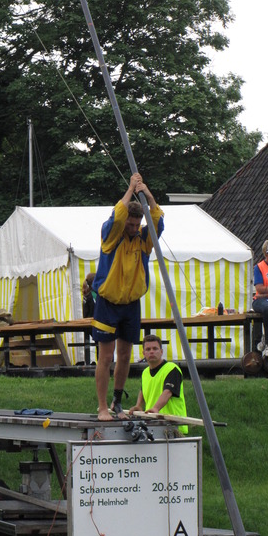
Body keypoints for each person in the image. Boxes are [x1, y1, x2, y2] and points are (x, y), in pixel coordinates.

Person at [92, 173, 164, 421]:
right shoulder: (111, 237)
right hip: (107, 304)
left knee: (125, 355)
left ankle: (117, 401)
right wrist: (131, 188)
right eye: (130, 225)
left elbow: (158, 221)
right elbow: (117, 216)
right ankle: (102, 407)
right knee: (106, 355)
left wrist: (147, 193)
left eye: (136, 225)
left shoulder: (143, 239)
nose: (133, 229)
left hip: (131, 305)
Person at [129, 334, 188, 435]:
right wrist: (138, 405)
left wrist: (156, 408)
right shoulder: (145, 373)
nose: (151, 351)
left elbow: (168, 391)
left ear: (161, 352)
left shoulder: (171, 369)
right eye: (148, 349)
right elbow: (143, 390)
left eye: (155, 348)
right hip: (153, 426)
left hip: (173, 428)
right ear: (144, 353)